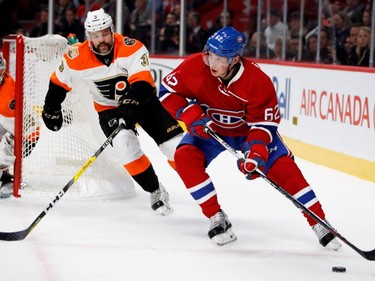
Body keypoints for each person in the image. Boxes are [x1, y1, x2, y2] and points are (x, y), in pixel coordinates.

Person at [159, 26, 342, 249]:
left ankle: (319, 222)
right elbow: (167, 91)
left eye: (219, 59)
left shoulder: (258, 81)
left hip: (249, 133)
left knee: (285, 170)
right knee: (185, 157)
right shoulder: (196, 64)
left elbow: (264, 126)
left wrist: (255, 153)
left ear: (235, 59)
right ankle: (216, 216)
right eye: (210, 56)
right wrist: (189, 114)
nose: (212, 64)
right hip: (210, 128)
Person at [41, 9, 184, 215]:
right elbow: (57, 83)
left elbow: (143, 83)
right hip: (108, 109)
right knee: (125, 147)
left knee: (175, 147)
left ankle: (197, 186)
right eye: (96, 35)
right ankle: (155, 190)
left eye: (105, 33)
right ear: (88, 36)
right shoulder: (75, 57)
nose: (101, 40)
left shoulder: (132, 48)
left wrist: (130, 104)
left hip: (143, 102)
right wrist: (50, 109)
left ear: (112, 30)